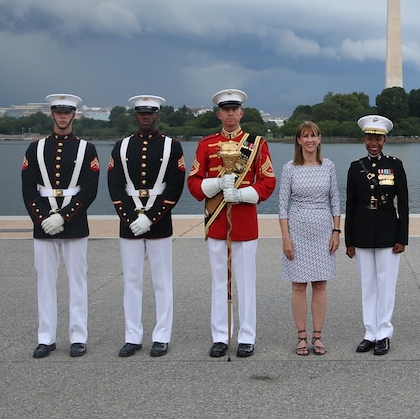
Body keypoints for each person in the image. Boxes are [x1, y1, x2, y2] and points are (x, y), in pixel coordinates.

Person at [188, 88, 276, 358]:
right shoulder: (206, 145)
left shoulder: (257, 144)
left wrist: (242, 194)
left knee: (246, 281)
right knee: (218, 281)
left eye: (233, 109)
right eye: (225, 109)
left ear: (241, 113)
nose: (229, 113)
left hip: (245, 222)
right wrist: (215, 184)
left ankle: (247, 336)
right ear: (218, 114)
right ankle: (220, 336)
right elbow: (193, 183)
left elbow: (268, 182)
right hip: (216, 223)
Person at [21, 93, 100, 359]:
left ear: (74, 115)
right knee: (45, 281)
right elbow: (28, 188)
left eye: (67, 112)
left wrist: (64, 216)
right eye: (58, 112)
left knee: (77, 281)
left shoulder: (86, 149)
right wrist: (43, 218)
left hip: (75, 221)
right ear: (52, 115)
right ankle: (46, 337)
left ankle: (78, 337)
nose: (63, 116)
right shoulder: (35, 148)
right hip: (43, 222)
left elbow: (89, 188)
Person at [107, 95, 186, 358]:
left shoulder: (172, 147)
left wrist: (151, 216)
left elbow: (175, 184)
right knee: (131, 282)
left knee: (162, 282)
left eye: (150, 113)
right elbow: (115, 184)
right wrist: (131, 217)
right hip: (129, 221)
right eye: (141, 113)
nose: (145, 117)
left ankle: (161, 335)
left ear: (157, 116)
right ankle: (132, 336)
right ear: (135, 116)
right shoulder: (121, 146)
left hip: (160, 221)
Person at [344, 115, 409, 356]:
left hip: (387, 230)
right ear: (364, 140)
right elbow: (350, 205)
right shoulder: (354, 167)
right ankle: (369, 333)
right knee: (367, 285)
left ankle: (384, 332)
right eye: (370, 138)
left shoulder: (395, 165)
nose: (374, 142)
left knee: (386, 284)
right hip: (361, 230)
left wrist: (402, 237)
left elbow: (403, 203)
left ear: (385, 140)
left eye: (378, 138)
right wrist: (349, 241)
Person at [277, 121, 341, 356]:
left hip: (323, 229)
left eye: (314, 135)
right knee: (298, 286)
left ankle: (318, 336)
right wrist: (286, 238)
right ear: (298, 140)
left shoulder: (329, 166)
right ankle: (301, 336)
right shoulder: (289, 168)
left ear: (320, 139)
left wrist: (336, 231)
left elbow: (335, 200)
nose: (310, 140)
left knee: (321, 285)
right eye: (305, 136)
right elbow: (282, 206)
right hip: (297, 229)